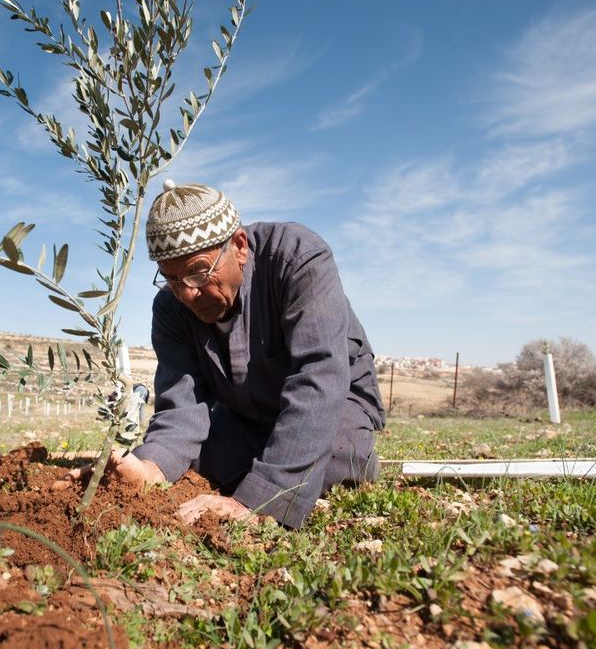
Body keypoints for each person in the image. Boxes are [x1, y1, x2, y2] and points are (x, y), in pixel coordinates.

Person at [65, 181, 385, 528]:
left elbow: (319, 374)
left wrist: (257, 502)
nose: (187, 293)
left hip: (337, 403)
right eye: (171, 278)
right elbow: (182, 408)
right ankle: (272, 460)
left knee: (339, 453)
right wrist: (149, 467)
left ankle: (318, 465)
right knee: (197, 459)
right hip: (247, 416)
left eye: (199, 272)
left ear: (240, 247)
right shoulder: (171, 309)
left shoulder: (298, 258)